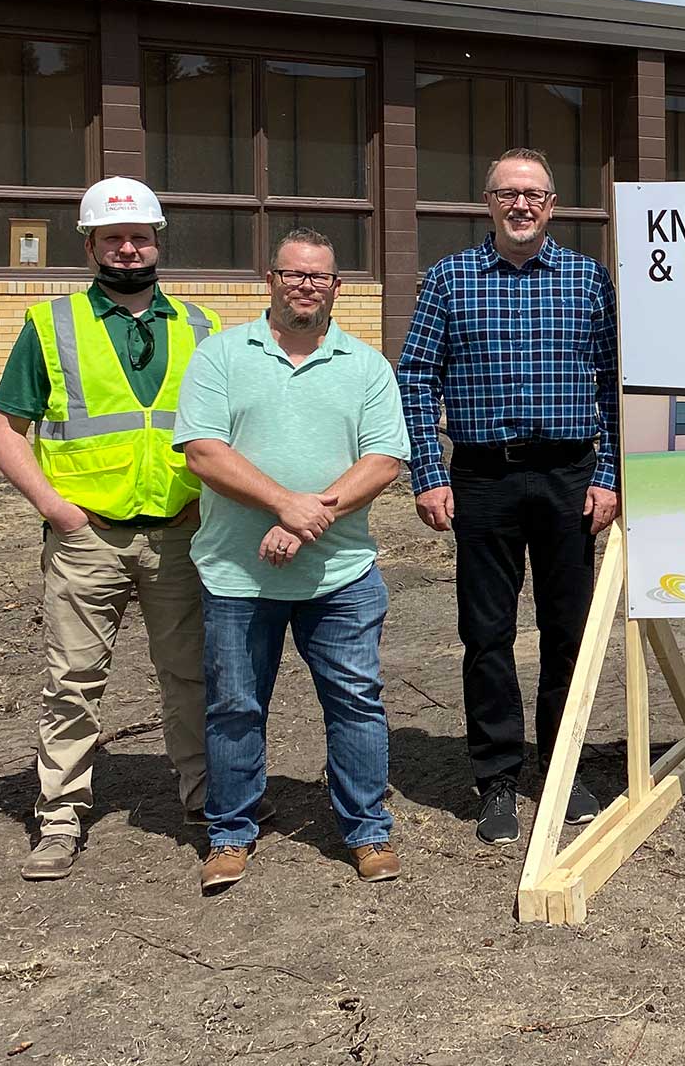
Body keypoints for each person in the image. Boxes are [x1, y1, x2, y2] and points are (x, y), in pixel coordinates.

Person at [0, 178, 222, 880]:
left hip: (178, 534)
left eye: (140, 236)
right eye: (114, 238)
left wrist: (204, 504)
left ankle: (206, 802)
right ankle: (58, 818)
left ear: (158, 241)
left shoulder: (202, 326)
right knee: (74, 681)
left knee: (190, 676)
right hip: (86, 538)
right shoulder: (51, 325)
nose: (128, 248)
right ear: (89, 245)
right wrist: (55, 509)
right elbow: (5, 425)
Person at [397, 147, 621, 845]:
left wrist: (610, 474)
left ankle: (561, 768)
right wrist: (429, 472)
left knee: (568, 631)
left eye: (535, 195)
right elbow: (414, 379)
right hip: (483, 479)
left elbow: (616, 382)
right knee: (487, 635)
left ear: (551, 206)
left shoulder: (588, 280)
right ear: (488, 203)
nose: (521, 205)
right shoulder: (449, 280)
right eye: (508, 194)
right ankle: (495, 777)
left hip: (568, 477)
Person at [175, 228, 410, 891]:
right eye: (294, 274)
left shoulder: (364, 365)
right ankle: (229, 833)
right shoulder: (220, 357)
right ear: (271, 280)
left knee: (357, 703)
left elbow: (384, 459)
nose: (307, 285)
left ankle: (367, 831)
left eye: (321, 277)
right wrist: (285, 504)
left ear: (336, 287)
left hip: (341, 575)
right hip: (236, 574)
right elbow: (203, 452)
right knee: (235, 706)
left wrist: (311, 518)